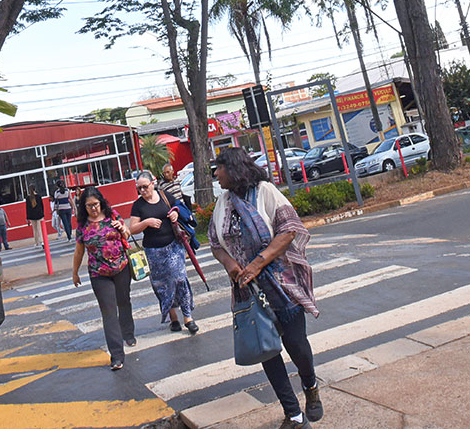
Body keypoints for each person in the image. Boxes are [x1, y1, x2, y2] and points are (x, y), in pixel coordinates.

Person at [210, 147, 322, 429]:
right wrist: (231, 266)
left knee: (296, 344)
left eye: (219, 167)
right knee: (267, 350)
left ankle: (310, 385)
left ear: (232, 167)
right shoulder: (222, 202)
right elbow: (214, 243)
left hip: (281, 283)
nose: (215, 174)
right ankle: (294, 414)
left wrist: (258, 263)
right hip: (247, 289)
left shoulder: (265, 192)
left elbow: (288, 229)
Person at [71, 186, 135, 370]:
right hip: (99, 273)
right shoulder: (82, 226)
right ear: (84, 207)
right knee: (108, 312)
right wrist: (75, 272)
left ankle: (128, 333)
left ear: (101, 202)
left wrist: (122, 228)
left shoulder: (112, 216)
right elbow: (79, 251)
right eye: (89, 206)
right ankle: (116, 355)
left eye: (96, 204)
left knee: (123, 301)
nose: (94, 209)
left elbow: (128, 234)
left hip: (121, 268)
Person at [129, 171, 198, 334]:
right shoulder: (138, 205)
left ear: (153, 183)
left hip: (173, 245)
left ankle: (188, 317)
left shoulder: (164, 195)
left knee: (180, 279)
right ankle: (173, 317)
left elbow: (179, 208)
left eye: (145, 187)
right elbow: (132, 228)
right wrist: (146, 222)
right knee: (162, 285)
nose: (142, 191)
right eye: (139, 188)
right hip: (153, 251)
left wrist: (175, 213)